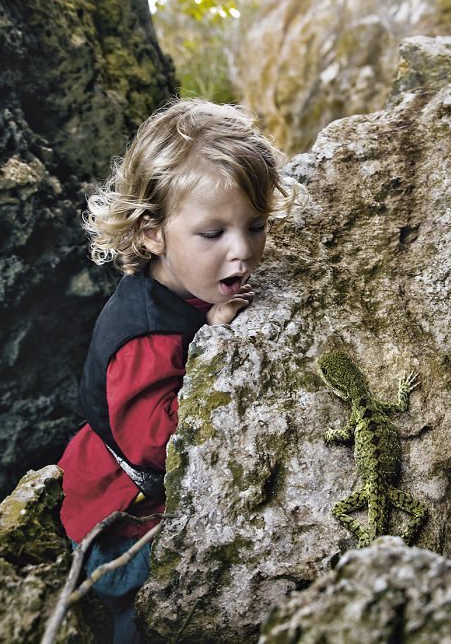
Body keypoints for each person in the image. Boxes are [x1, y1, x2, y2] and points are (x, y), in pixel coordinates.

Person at [58, 98, 301, 642]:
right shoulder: (143, 338)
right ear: (152, 233)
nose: (242, 251)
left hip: (121, 471)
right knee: (142, 614)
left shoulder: (181, 285)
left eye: (255, 225)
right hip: (122, 514)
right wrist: (214, 344)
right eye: (213, 234)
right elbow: (156, 444)